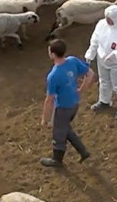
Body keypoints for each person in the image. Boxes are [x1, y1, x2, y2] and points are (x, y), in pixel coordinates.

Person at [40, 38, 93, 168]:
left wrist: (45, 118)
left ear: (52, 54)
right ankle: (83, 151)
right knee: (64, 127)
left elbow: (49, 100)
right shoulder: (72, 61)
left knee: (59, 133)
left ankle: (57, 160)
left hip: (63, 107)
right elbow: (90, 74)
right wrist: (81, 90)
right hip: (74, 103)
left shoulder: (53, 75)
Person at [84, 4, 117, 119]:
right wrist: (90, 55)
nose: (108, 21)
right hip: (102, 59)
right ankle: (104, 101)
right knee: (104, 81)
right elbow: (95, 41)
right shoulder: (101, 25)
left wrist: (115, 54)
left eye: (110, 19)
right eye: (107, 18)